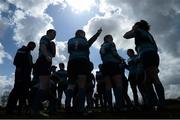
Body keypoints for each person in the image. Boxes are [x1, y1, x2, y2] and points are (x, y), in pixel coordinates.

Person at [123, 20, 165, 110]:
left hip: (146, 54)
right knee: (147, 81)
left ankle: (161, 104)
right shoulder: (148, 34)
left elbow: (125, 36)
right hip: (152, 55)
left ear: (138, 26)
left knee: (154, 78)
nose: (133, 26)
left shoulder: (138, 31)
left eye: (134, 25)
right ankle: (152, 103)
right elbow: (155, 47)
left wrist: (133, 29)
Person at [65, 28, 102, 114]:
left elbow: (69, 51)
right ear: (81, 34)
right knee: (82, 85)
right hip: (82, 61)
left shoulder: (70, 40)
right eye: (84, 34)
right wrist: (97, 33)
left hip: (71, 62)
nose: (84, 35)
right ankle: (80, 108)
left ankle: (67, 106)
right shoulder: (83, 40)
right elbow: (91, 41)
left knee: (71, 85)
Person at [6, 41, 36, 114]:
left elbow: (31, 65)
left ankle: (20, 109)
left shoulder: (30, 55)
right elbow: (16, 61)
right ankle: (9, 109)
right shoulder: (22, 50)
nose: (33, 47)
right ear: (29, 45)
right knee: (16, 91)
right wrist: (19, 68)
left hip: (27, 76)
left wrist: (37, 64)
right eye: (32, 46)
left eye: (34, 47)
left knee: (24, 92)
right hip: (20, 74)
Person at [32, 29, 56, 116]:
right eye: (54, 33)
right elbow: (42, 47)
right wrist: (46, 56)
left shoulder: (50, 42)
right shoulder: (45, 38)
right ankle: (35, 110)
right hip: (43, 61)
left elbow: (53, 55)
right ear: (49, 33)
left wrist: (53, 47)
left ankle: (50, 107)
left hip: (46, 63)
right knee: (43, 86)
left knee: (46, 86)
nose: (55, 35)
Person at [100, 34, 124, 111]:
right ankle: (119, 106)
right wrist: (121, 59)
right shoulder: (111, 44)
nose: (112, 39)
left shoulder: (101, 47)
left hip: (105, 66)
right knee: (118, 84)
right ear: (107, 38)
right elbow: (114, 53)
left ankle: (109, 106)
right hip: (113, 64)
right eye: (111, 38)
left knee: (108, 86)